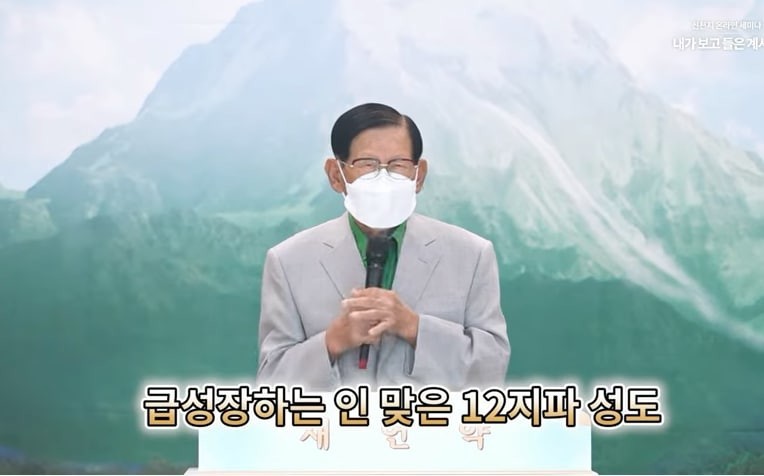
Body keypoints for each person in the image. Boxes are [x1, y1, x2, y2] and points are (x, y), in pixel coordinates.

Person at [256, 103, 509, 390]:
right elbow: (271, 381)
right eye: (368, 164)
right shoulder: (288, 261)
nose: (384, 178)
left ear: (419, 175)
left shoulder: (471, 255)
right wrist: (333, 341)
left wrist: (413, 327)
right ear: (336, 175)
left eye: (398, 165)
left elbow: (492, 367)